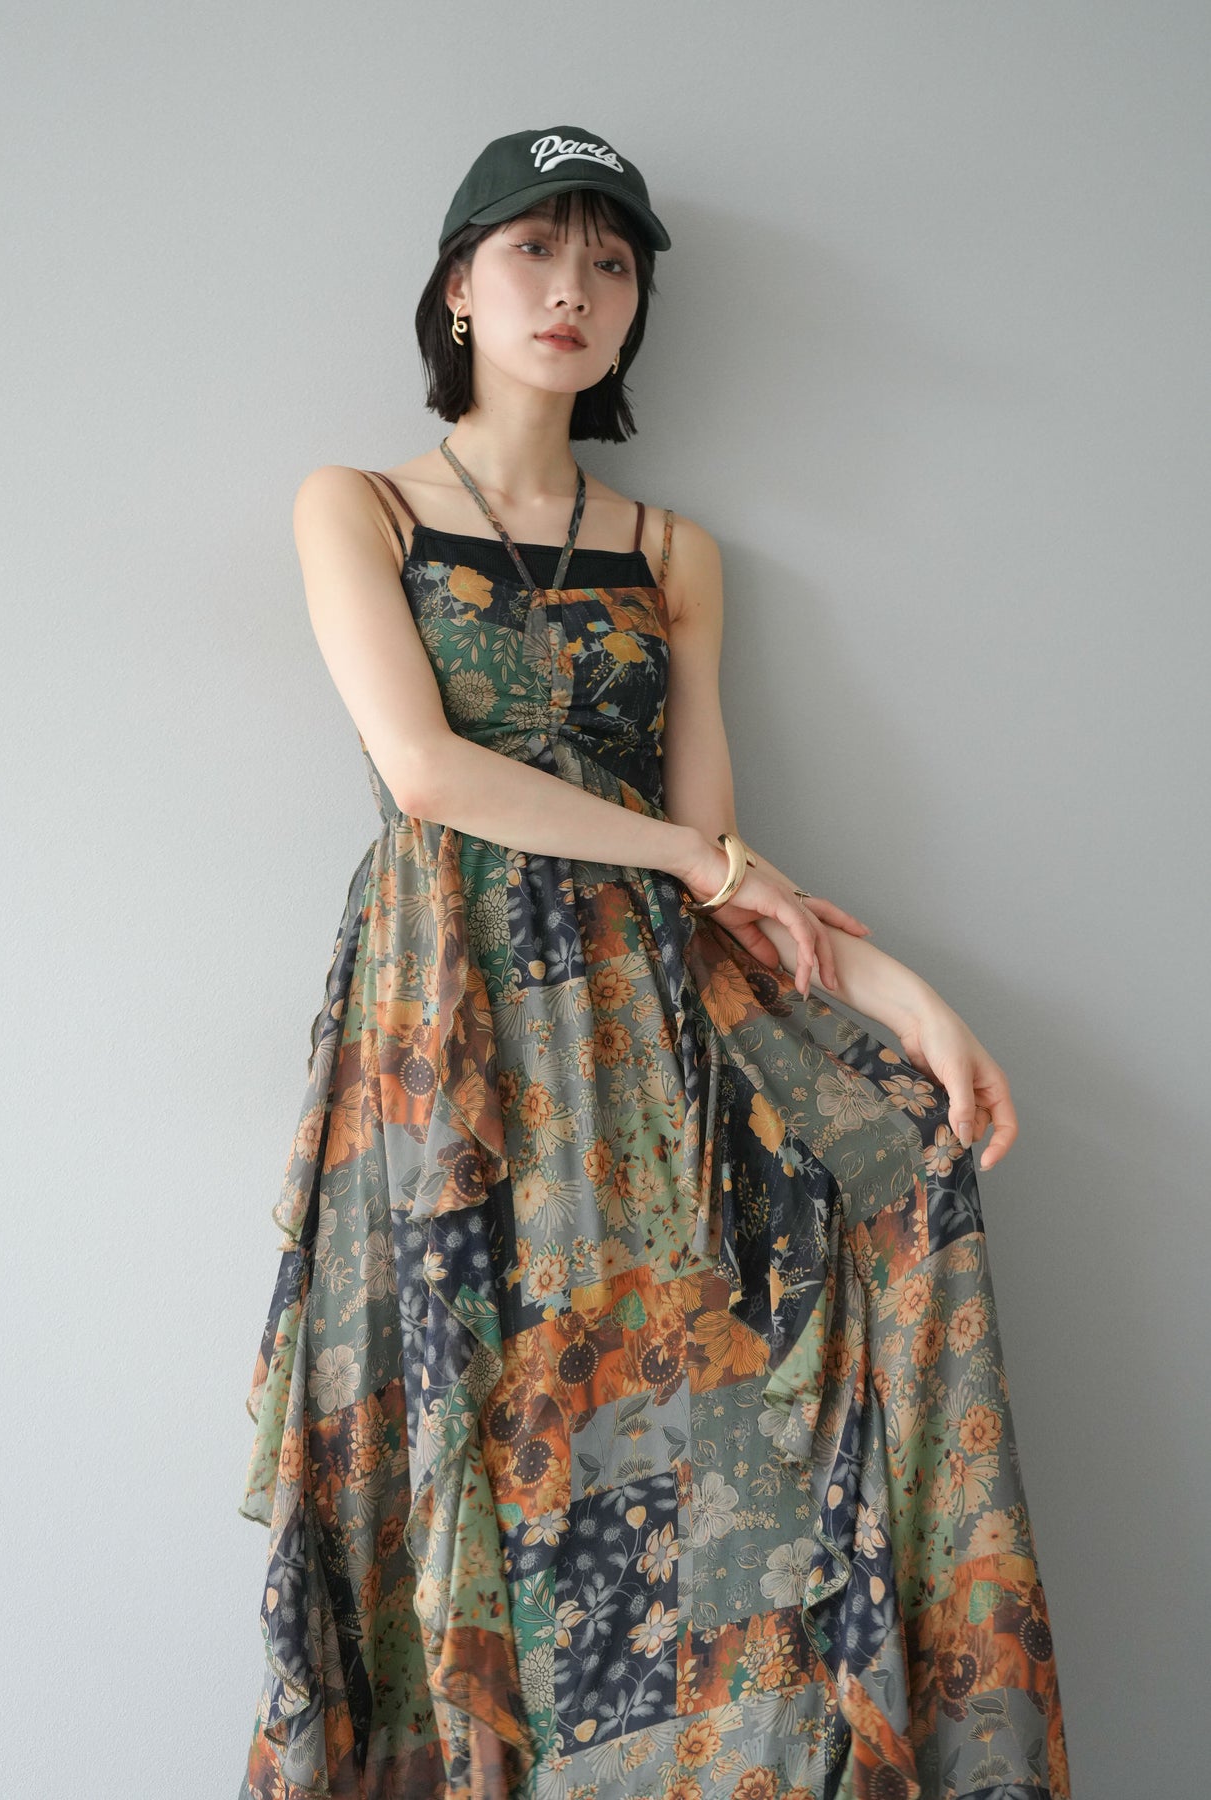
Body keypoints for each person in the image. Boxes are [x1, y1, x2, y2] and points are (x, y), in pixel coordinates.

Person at [237, 126, 1070, 1800]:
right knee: (482, 1425)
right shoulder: (359, 505)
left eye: (610, 265)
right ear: (457, 289)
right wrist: (692, 858)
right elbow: (425, 774)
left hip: (652, 1047)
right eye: (534, 252)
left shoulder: (674, 551)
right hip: (452, 1025)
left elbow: (720, 863)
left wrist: (906, 999)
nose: (572, 290)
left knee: (692, 1434)